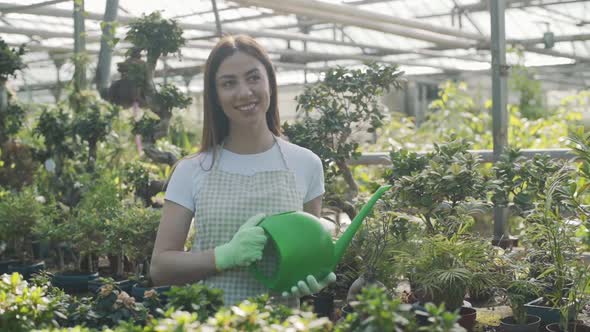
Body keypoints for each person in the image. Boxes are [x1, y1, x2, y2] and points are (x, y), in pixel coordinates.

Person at [150, 34, 336, 306]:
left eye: (253, 78)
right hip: (209, 323)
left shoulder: (306, 164)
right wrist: (224, 256)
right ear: (215, 95)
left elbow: (306, 252)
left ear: (269, 82)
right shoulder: (191, 170)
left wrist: (312, 275)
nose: (244, 92)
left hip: (281, 324)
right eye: (228, 83)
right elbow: (160, 268)